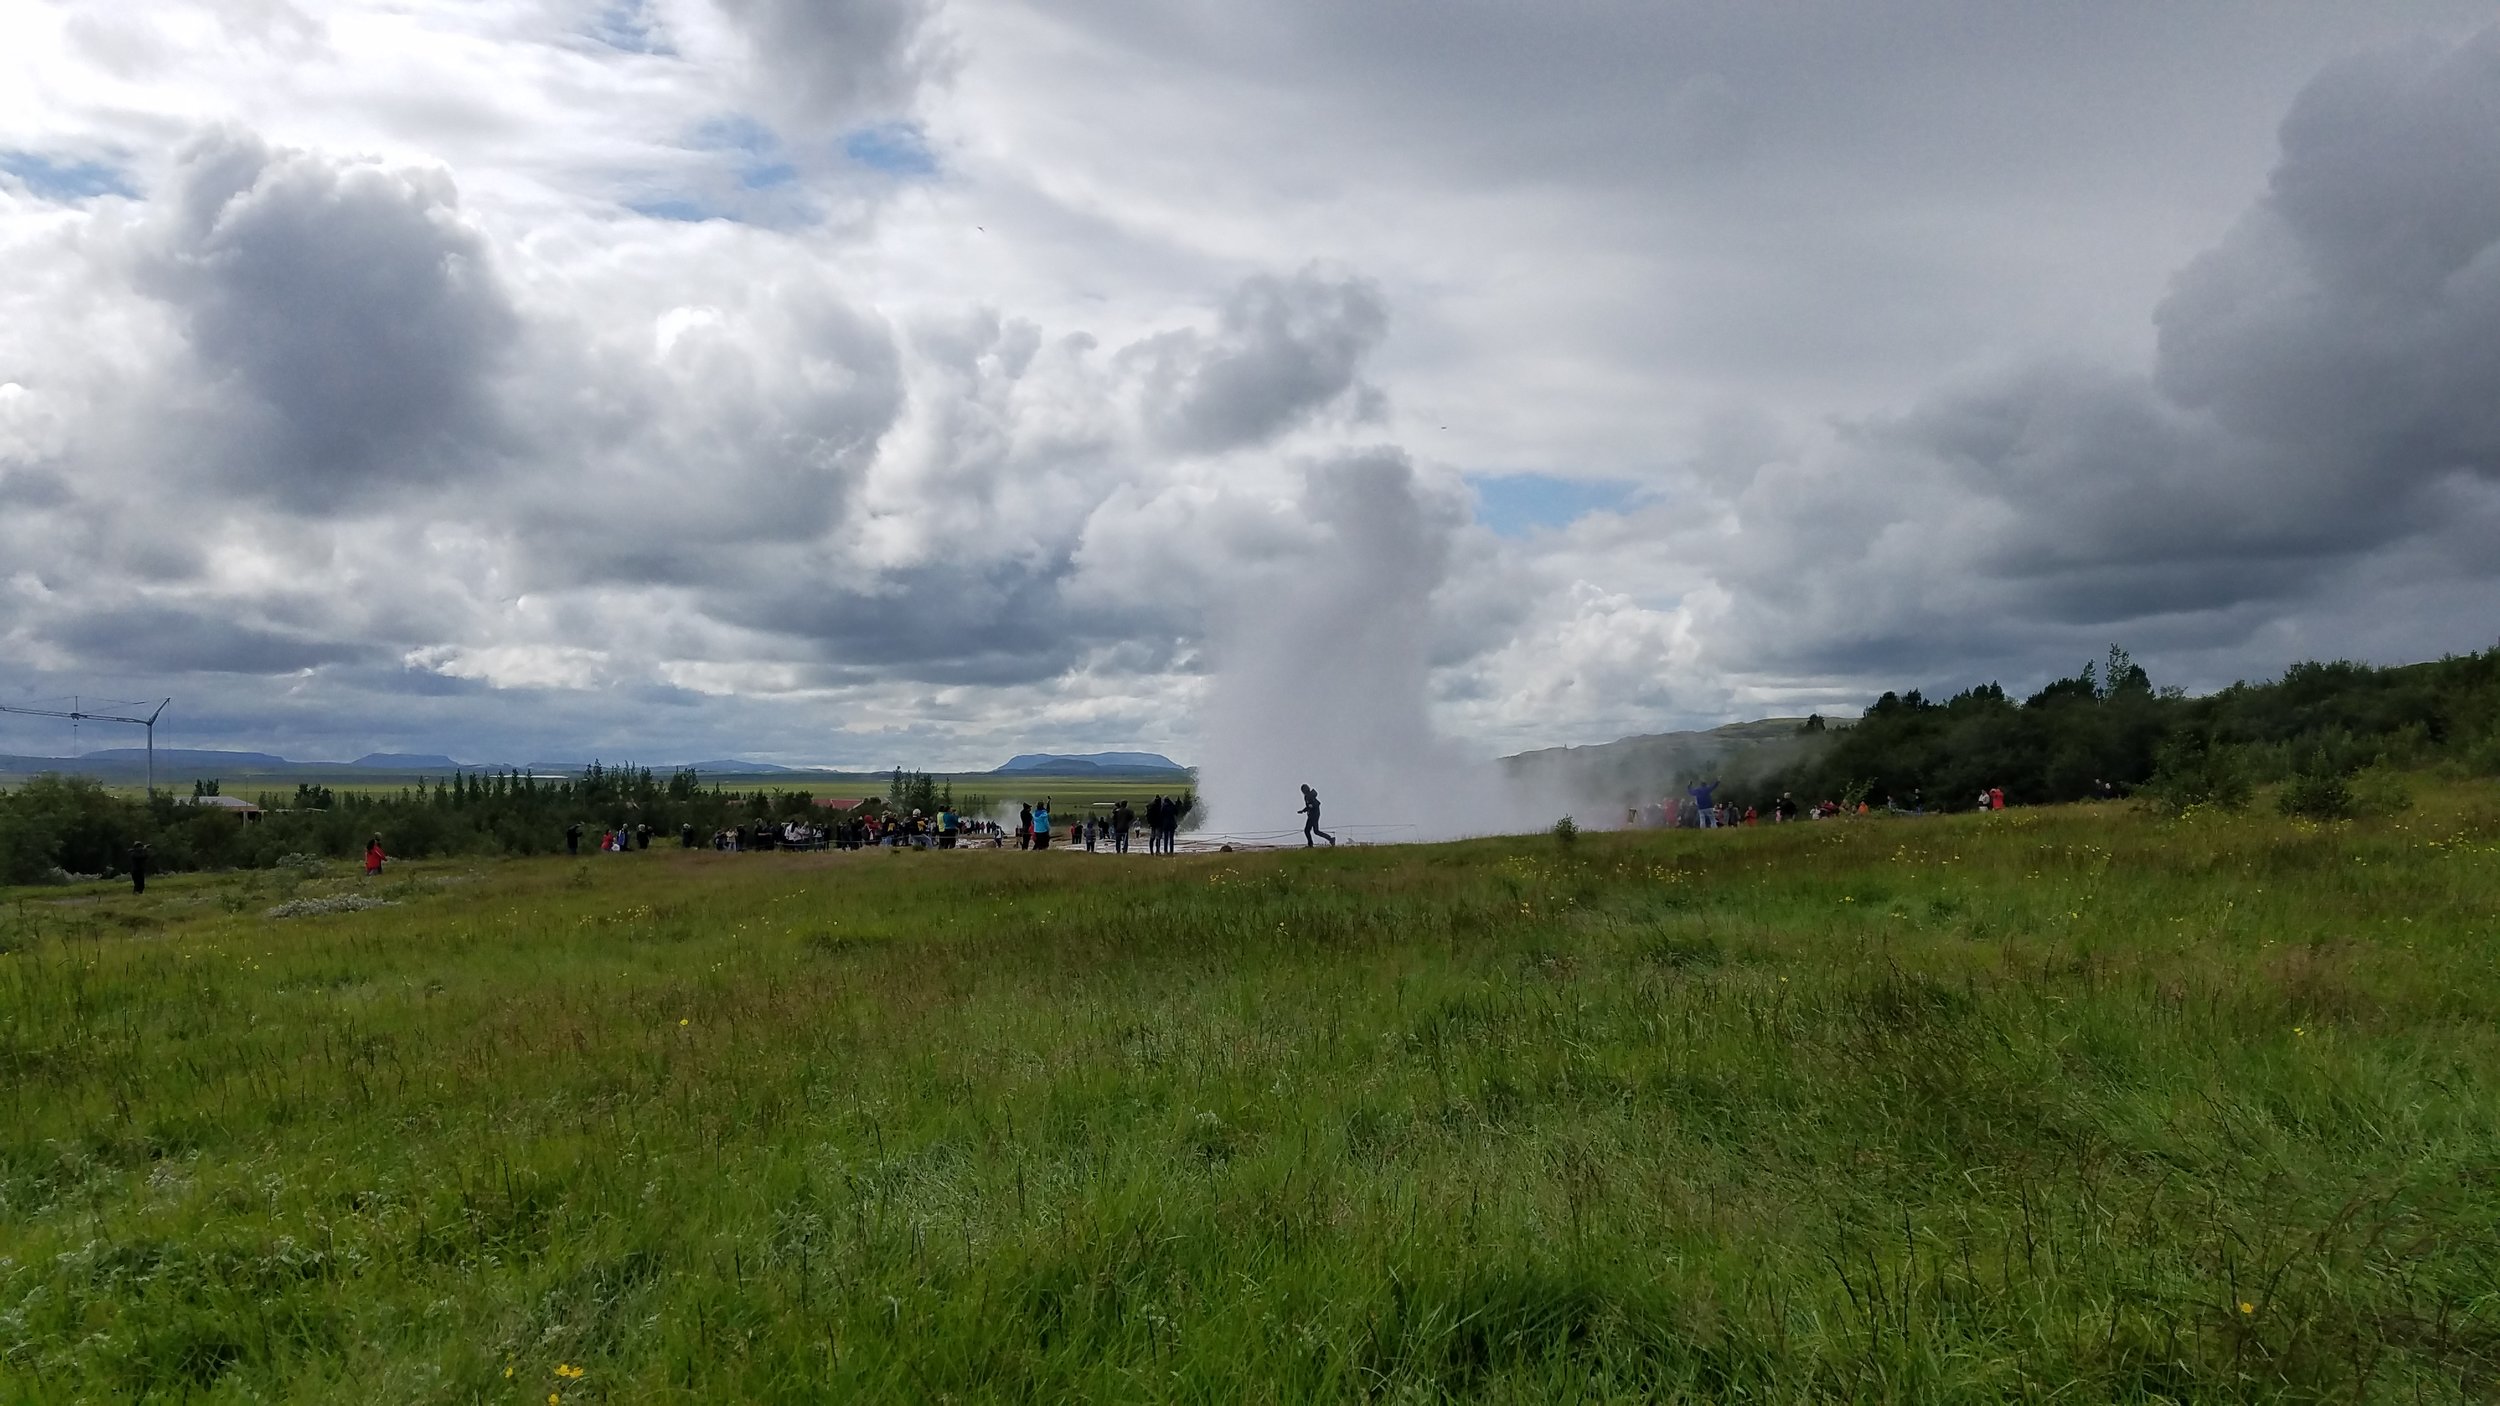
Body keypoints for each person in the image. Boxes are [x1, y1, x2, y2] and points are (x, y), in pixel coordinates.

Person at [1298, 783, 1336, 848]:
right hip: (1313, 815)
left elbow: (1315, 804)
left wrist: (1307, 809)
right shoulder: (1308, 796)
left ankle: (1310, 845)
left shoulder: (1309, 796)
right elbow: (1309, 806)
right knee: (1316, 831)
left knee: (1307, 830)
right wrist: (1303, 810)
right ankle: (1330, 839)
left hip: (1313, 815)